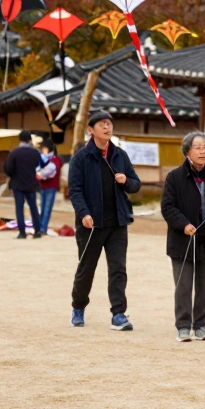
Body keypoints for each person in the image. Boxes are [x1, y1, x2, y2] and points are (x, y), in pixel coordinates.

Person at [67, 110, 141, 330]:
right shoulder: (81, 157)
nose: (107, 127)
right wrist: (84, 213)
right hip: (91, 224)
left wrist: (126, 179)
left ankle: (118, 313)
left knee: (118, 269)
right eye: (102, 124)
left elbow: (136, 184)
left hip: (118, 222)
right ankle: (78, 307)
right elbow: (75, 190)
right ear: (91, 130)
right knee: (86, 268)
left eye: (109, 124)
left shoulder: (120, 155)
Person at [160, 131, 205, 342]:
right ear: (187, 152)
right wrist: (183, 225)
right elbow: (167, 207)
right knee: (183, 285)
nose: (203, 151)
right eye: (198, 147)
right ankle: (183, 326)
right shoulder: (174, 177)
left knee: (204, 287)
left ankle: (200, 325)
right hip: (183, 240)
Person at [5, 129, 43, 238]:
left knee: (19, 209)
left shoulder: (14, 153)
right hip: (31, 184)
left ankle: (22, 233)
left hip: (18, 185)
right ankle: (37, 231)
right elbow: (39, 165)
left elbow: (8, 168)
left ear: (20, 139)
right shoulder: (35, 152)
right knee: (33, 208)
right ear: (29, 140)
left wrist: (14, 176)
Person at [36, 139, 62, 236]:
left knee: (46, 208)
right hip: (43, 186)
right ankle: (40, 227)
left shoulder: (55, 160)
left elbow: (48, 172)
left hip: (51, 187)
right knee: (42, 208)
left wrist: (41, 174)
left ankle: (43, 228)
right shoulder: (46, 159)